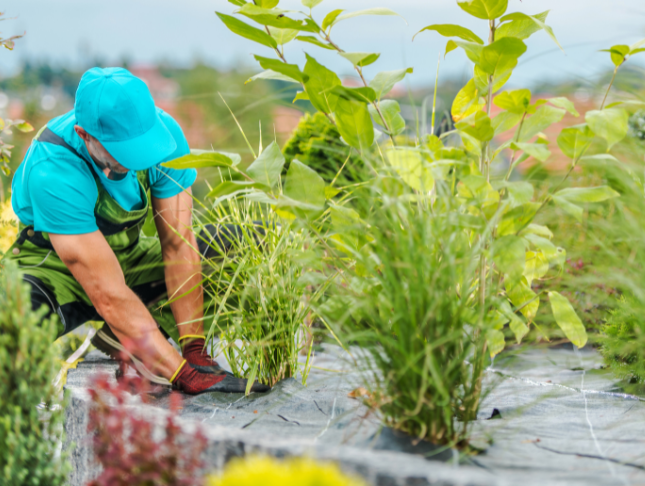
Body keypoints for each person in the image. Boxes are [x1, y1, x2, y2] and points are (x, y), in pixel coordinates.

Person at [4, 67, 269, 395]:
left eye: (141, 148)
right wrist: (181, 374)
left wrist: (193, 349)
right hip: (53, 273)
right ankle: (134, 332)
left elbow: (177, 244)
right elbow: (107, 294)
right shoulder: (53, 167)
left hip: (127, 260)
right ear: (84, 134)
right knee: (9, 335)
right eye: (122, 152)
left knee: (246, 245)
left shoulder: (164, 139)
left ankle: (129, 335)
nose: (136, 161)